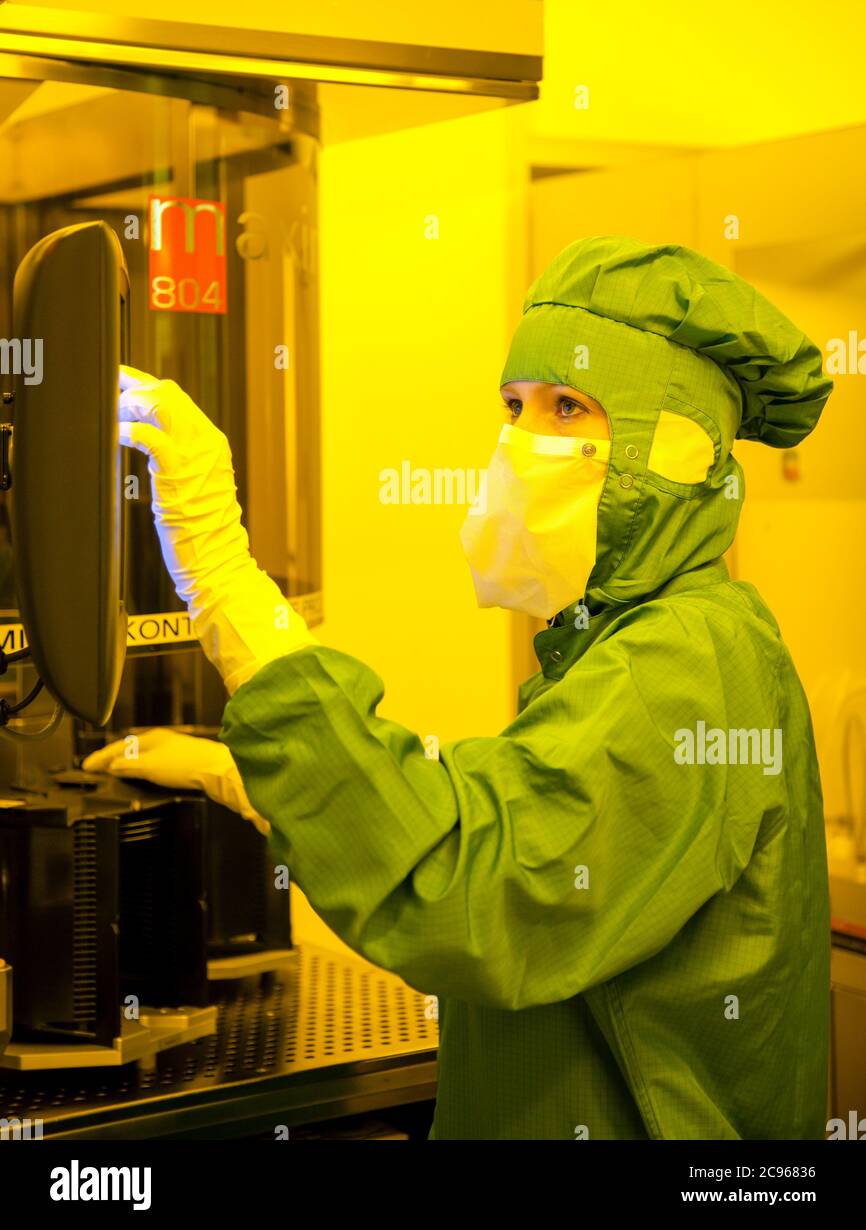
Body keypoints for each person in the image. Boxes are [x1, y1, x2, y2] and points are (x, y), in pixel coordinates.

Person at [85, 235, 833, 1140]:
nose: (521, 444)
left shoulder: (686, 662)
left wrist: (224, 580)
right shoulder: (626, 644)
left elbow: (468, 892)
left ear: (674, 453)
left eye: (569, 409)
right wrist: (247, 776)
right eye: (514, 406)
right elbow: (504, 815)